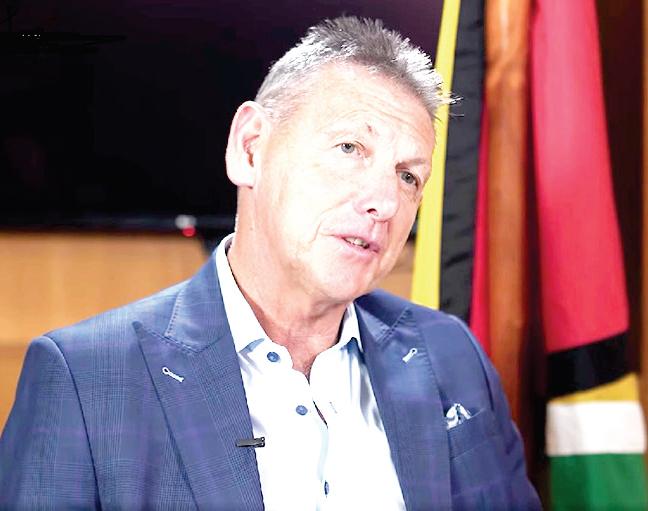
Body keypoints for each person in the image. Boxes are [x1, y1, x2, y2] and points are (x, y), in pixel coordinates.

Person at [0, 16, 540, 510]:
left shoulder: (451, 355)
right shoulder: (86, 379)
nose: (385, 202)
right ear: (250, 148)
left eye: (408, 176)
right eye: (350, 148)